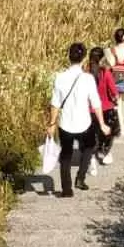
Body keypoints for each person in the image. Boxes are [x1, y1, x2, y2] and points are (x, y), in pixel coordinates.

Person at [48, 42, 107, 199]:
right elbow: (96, 103)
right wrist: (102, 124)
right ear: (83, 58)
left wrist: (52, 124)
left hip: (65, 123)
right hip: (84, 123)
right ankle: (80, 178)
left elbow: (55, 103)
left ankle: (67, 189)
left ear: (69, 57)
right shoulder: (87, 79)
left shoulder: (60, 78)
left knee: (65, 155)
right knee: (89, 146)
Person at [88, 46, 120, 168]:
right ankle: (106, 154)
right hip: (106, 109)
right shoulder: (105, 73)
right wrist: (116, 100)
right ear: (102, 59)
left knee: (92, 135)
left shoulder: (86, 73)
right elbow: (114, 92)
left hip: (89, 110)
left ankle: (90, 157)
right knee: (107, 134)